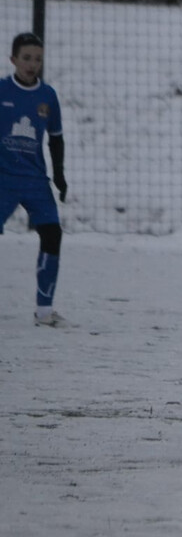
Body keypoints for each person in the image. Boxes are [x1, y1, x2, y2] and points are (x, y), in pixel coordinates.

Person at [1, 32, 70, 327]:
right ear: (13, 60)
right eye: (26, 58)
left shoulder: (47, 96)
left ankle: (44, 311)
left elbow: (56, 139)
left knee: (52, 234)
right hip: (3, 179)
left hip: (35, 180)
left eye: (38, 59)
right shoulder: (2, 90)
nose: (32, 64)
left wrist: (59, 175)